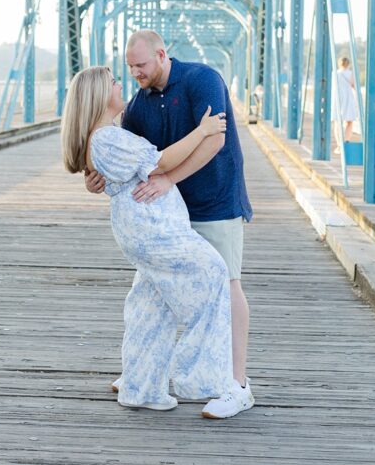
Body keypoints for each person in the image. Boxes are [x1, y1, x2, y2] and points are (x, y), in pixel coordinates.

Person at [86, 30, 254, 419]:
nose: (135, 75)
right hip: (168, 214)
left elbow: (215, 140)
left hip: (214, 200)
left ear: (162, 55)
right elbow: (120, 155)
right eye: (129, 68)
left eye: (141, 66)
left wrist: (167, 179)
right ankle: (142, 372)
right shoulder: (137, 105)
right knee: (151, 293)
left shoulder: (202, 79)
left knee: (226, 282)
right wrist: (94, 178)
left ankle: (236, 385)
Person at [61, 66, 234, 414]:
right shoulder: (106, 138)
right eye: (113, 82)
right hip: (152, 230)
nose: (120, 84)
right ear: (98, 95)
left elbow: (115, 174)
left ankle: (141, 387)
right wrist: (202, 131)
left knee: (152, 306)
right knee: (213, 272)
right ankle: (196, 376)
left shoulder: (108, 135)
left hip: (148, 228)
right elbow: (159, 163)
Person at [332, 55, 359, 154]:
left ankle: (339, 145)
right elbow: (354, 86)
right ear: (348, 64)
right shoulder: (350, 73)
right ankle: (346, 142)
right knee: (349, 122)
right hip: (348, 99)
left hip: (337, 99)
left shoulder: (335, 73)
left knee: (337, 123)